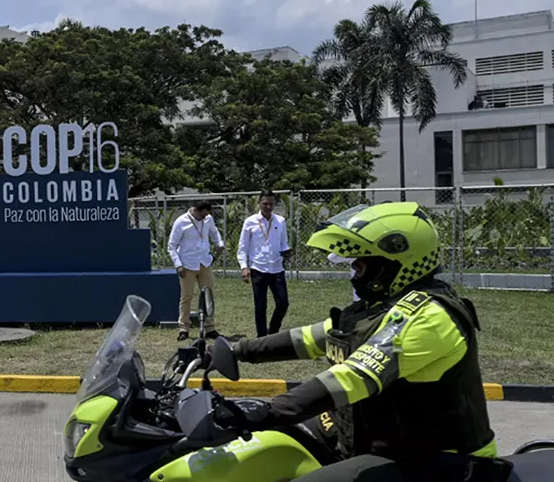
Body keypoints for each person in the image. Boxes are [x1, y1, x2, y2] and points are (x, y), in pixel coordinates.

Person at [217, 201, 512, 481]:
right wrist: (236, 350)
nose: (354, 275)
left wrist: (267, 411)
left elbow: (353, 377)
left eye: (360, 266)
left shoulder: (429, 316)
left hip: (443, 461)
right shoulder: (381, 307)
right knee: (269, 449)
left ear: (395, 262)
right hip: (387, 441)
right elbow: (312, 338)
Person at [236, 190, 292, 337]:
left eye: (271, 204)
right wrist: (244, 267)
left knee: (283, 303)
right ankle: (261, 337)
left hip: (277, 268)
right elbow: (243, 247)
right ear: (259, 203)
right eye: (265, 204)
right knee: (260, 306)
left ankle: (272, 332)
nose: (268, 207)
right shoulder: (250, 222)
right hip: (258, 268)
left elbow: (283, 243)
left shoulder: (280, 221)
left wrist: (287, 252)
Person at [167, 200, 224, 341]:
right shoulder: (181, 222)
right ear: (195, 210)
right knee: (187, 297)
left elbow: (214, 232)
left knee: (209, 296)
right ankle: (183, 328)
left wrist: (219, 244)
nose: (204, 218)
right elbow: (171, 246)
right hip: (187, 265)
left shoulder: (208, 219)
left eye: (206, 216)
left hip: (204, 262)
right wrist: (178, 265)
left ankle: (210, 328)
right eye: (202, 215)